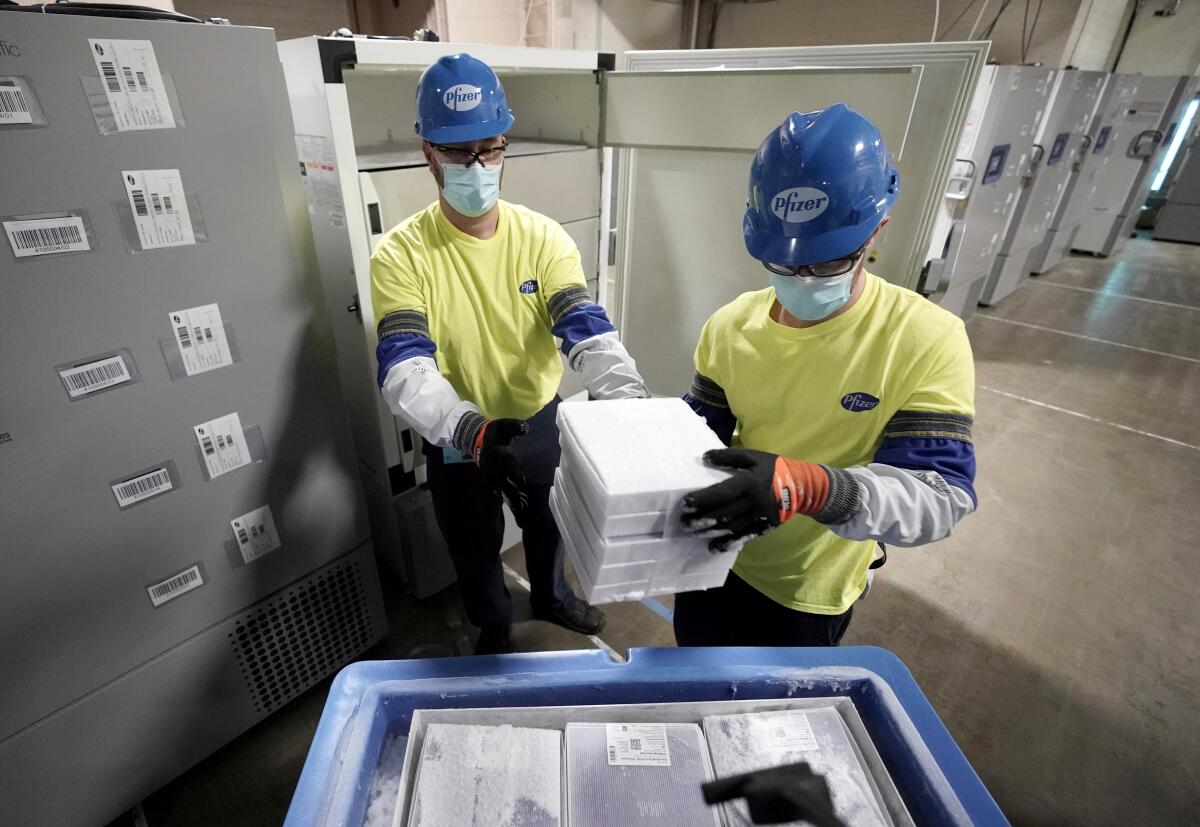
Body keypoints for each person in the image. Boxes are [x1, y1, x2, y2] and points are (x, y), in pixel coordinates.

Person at [370, 54, 648, 654]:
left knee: (549, 525)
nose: (477, 166)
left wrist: (633, 405)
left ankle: (552, 597)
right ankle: (492, 624)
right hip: (455, 435)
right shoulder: (401, 255)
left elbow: (584, 327)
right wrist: (471, 433)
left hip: (536, 418)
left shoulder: (543, 237)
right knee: (472, 543)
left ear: (503, 147)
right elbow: (403, 366)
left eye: (490, 149)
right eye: (458, 152)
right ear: (428, 154)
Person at [676, 104, 977, 647]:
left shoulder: (926, 340)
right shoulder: (729, 327)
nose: (803, 277)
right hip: (712, 563)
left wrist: (813, 488)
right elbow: (695, 439)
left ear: (876, 231)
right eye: (784, 263)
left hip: (809, 589)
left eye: (828, 261)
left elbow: (940, 495)